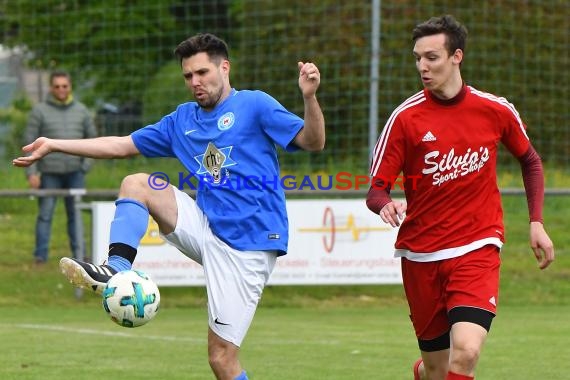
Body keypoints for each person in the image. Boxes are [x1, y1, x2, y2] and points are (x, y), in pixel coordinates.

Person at [14, 33, 325, 380]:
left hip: (248, 247)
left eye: (203, 73)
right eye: (188, 76)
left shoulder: (255, 105)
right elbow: (120, 144)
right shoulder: (182, 120)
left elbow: (313, 142)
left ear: (225, 68)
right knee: (138, 183)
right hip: (205, 225)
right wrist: (55, 144)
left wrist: (309, 99)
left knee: (221, 359)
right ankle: (117, 267)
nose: (195, 82)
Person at [366, 15, 554, 380]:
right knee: (438, 369)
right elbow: (376, 188)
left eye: (432, 57)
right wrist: (385, 204)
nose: (422, 66)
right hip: (421, 255)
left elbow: (530, 160)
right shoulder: (405, 118)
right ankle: (425, 371)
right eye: (418, 57)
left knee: (466, 352)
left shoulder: (495, 109)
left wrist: (536, 222)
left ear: (457, 57)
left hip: (477, 245)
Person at [24, 70, 97, 264]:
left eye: (64, 86)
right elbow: (29, 142)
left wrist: (85, 166)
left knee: (76, 214)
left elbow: (94, 139)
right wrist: (31, 172)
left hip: (75, 173)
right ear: (51, 88)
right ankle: (40, 256)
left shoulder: (81, 110)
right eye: (57, 86)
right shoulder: (39, 111)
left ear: (70, 86)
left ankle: (80, 255)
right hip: (49, 174)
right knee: (45, 215)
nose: (61, 90)